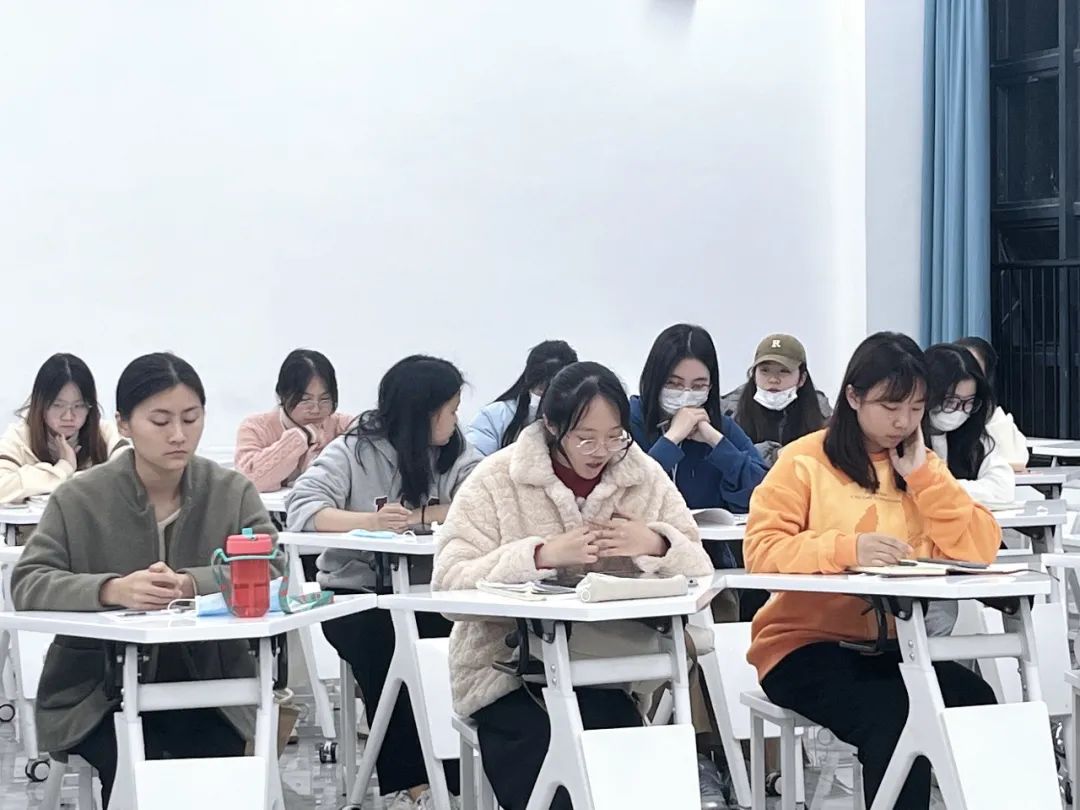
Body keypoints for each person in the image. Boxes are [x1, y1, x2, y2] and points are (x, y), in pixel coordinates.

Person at [433, 361, 715, 810]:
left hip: (610, 674)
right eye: (585, 438)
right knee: (554, 775)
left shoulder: (641, 474)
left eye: (615, 436)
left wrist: (656, 543)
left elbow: (700, 568)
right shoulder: (498, 477)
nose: (601, 451)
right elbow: (448, 584)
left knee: (625, 780)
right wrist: (539, 555)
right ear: (551, 425)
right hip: (507, 676)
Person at [745, 332, 1000, 810]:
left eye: (917, 408)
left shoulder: (919, 465)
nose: (904, 422)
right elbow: (762, 549)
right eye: (890, 406)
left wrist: (924, 478)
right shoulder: (804, 460)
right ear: (853, 397)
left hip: (896, 647)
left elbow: (981, 546)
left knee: (976, 700)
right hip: (803, 647)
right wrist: (848, 548)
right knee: (895, 717)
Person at [11, 352, 277, 807]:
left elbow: (274, 568)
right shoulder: (80, 498)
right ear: (124, 424)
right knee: (139, 765)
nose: (178, 435)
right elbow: (28, 582)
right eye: (160, 421)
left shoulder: (230, 492)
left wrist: (191, 584)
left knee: (216, 774)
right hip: (96, 692)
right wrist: (110, 590)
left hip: (211, 686)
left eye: (191, 418)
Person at [286, 355, 480, 810]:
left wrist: (417, 516)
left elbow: (480, 501)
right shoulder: (354, 450)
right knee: (385, 647)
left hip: (430, 594)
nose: (455, 421)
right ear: (422, 413)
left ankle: (456, 780)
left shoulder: (455, 452)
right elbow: (304, 508)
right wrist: (369, 522)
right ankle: (413, 786)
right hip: (356, 594)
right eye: (449, 411)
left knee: (460, 645)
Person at [629, 324, 767, 572]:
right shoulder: (627, 420)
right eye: (674, 383)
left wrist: (717, 442)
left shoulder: (720, 426)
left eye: (698, 385)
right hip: (637, 563)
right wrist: (671, 439)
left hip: (710, 564)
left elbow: (764, 494)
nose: (686, 394)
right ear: (654, 380)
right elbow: (631, 491)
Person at [0, 353, 127, 504]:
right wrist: (63, 468)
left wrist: (72, 478)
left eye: (78, 406)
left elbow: (131, 476)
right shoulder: (19, 438)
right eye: (57, 405)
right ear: (40, 405)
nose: (68, 416)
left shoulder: (105, 434)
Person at [235, 349, 353, 492]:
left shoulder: (342, 425)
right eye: (305, 399)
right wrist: (301, 437)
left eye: (324, 399)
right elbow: (249, 481)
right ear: (282, 395)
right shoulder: (256, 428)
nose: (316, 409)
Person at [720, 334, 831, 467]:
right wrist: (774, 455)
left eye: (784, 371)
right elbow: (726, 458)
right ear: (753, 374)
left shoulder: (822, 416)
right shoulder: (729, 412)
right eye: (765, 371)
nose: (773, 380)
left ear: (802, 378)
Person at [466, 340, 578, 456]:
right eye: (540, 387)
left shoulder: (582, 419)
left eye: (551, 390)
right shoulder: (495, 416)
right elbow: (472, 461)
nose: (544, 396)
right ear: (528, 380)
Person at [955, 336, 1029, 471]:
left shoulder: (995, 419)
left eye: (973, 368)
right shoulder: (936, 413)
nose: (964, 373)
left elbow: (1016, 462)